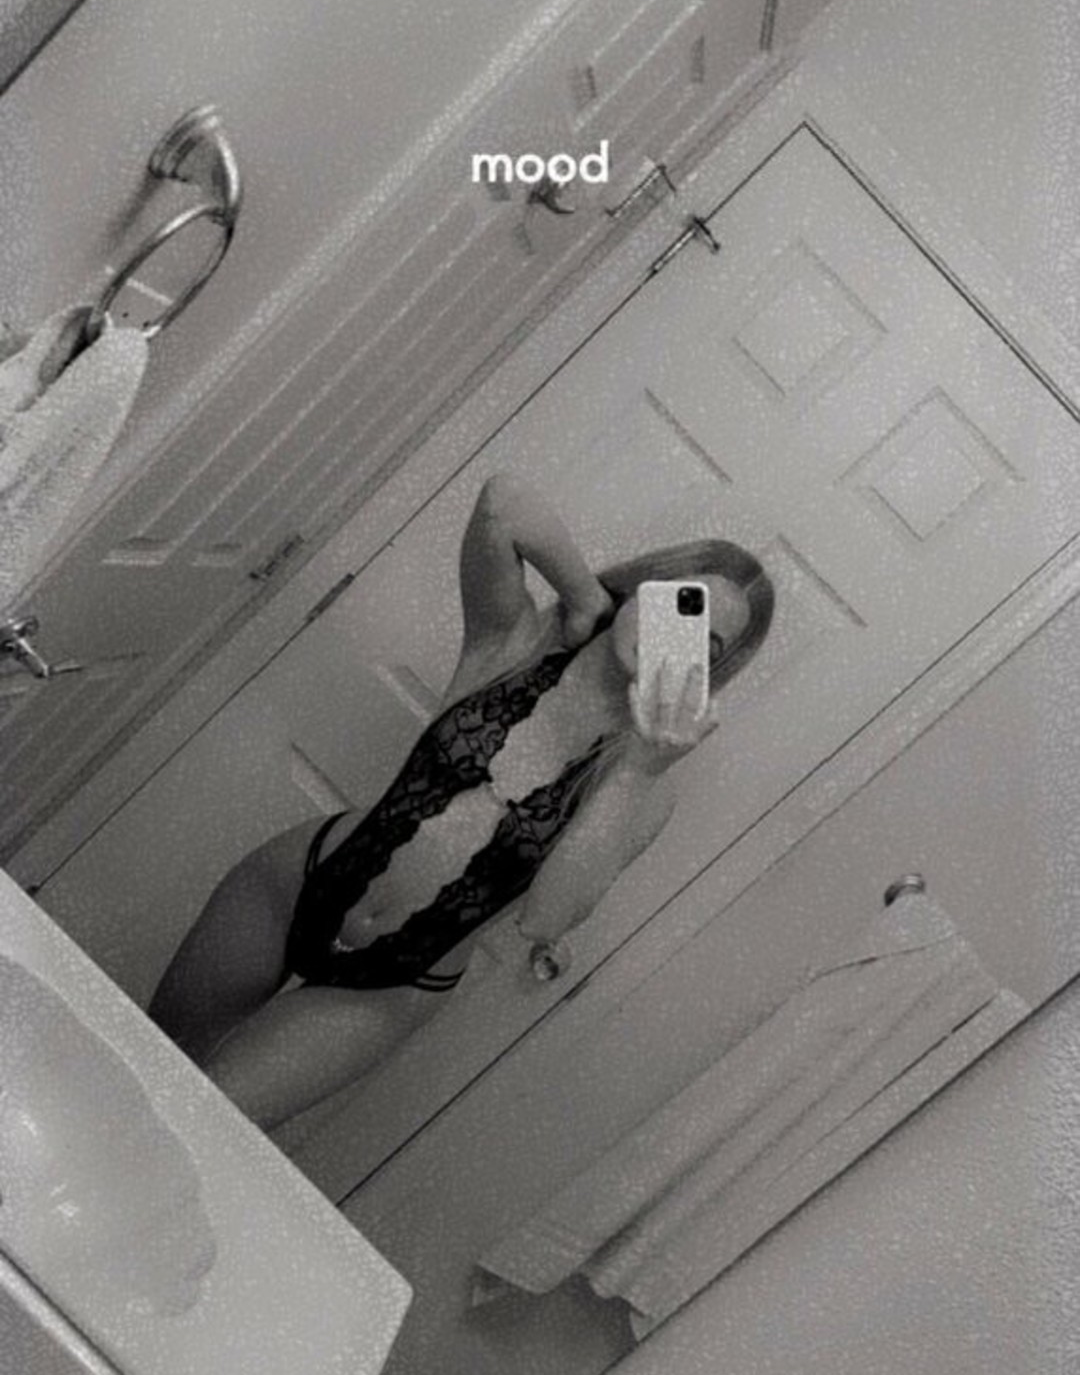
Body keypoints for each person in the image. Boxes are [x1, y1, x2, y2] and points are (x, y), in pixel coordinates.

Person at [148, 473, 775, 1130]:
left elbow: (546, 918)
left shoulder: (645, 783)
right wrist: (587, 599)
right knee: (145, 1053)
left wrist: (639, 769)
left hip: (390, 986)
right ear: (646, 586)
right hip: (293, 883)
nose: (679, 636)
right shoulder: (513, 642)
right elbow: (504, 502)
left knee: (196, 1124)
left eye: (703, 645)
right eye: (683, 605)